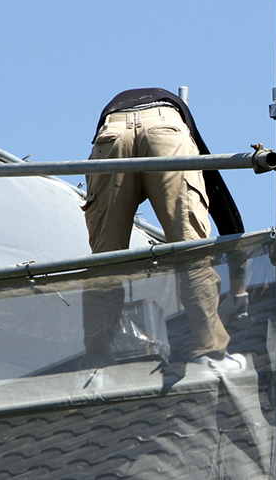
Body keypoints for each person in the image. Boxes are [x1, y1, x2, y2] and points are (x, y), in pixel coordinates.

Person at [81, 87, 246, 373]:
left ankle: (96, 362)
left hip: (112, 131)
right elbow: (226, 213)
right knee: (189, 249)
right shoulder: (184, 128)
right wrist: (240, 292)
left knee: (105, 259)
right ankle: (211, 353)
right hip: (164, 125)